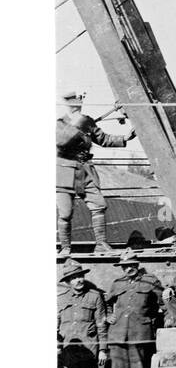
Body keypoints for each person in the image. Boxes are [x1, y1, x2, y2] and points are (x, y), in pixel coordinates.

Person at [56, 95, 137, 254]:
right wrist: (78, 122)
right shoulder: (59, 123)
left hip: (86, 171)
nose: (78, 104)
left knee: (99, 205)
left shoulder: (87, 121)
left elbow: (104, 139)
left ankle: (101, 244)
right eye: (73, 102)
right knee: (65, 213)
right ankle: (65, 248)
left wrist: (125, 138)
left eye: (79, 101)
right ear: (67, 105)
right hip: (64, 172)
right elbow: (62, 141)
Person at [106, 249, 163, 368]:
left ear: (137, 265)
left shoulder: (150, 281)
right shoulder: (117, 284)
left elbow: (162, 303)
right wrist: (109, 316)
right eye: (125, 266)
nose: (128, 268)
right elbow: (107, 304)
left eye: (131, 265)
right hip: (117, 333)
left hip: (139, 332)